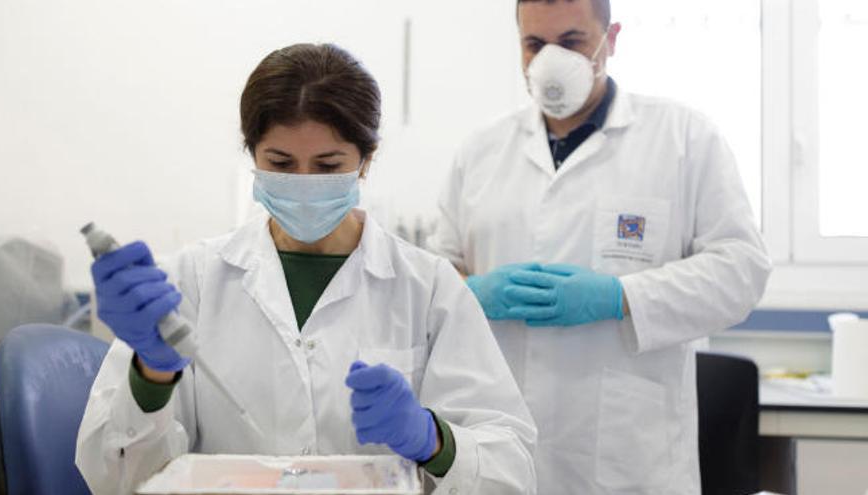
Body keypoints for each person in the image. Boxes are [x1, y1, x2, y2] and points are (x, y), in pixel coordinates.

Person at [76, 43, 537, 495]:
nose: (303, 183)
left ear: (366, 160)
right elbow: (113, 479)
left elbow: (511, 471)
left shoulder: (429, 287)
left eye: (328, 164)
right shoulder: (191, 280)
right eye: (280, 162)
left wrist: (432, 439)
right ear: (252, 156)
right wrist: (152, 374)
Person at [429, 1, 772, 493]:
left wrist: (622, 296)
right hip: (497, 448)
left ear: (610, 40)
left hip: (626, 458)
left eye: (571, 42)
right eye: (535, 44)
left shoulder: (683, 139)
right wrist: (472, 292)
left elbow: (742, 270)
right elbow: (434, 275)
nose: (550, 59)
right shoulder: (481, 151)